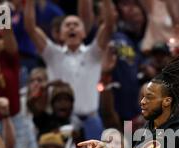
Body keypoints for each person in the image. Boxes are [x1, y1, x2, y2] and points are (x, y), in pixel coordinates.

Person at [24, 0, 116, 140]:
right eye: (67, 25)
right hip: (61, 120)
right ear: (60, 34)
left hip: (91, 120)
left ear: (84, 33)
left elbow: (109, 25)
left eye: (76, 25)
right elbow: (30, 28)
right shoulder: (52, 54)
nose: (72, 27)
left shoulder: (93, 53)